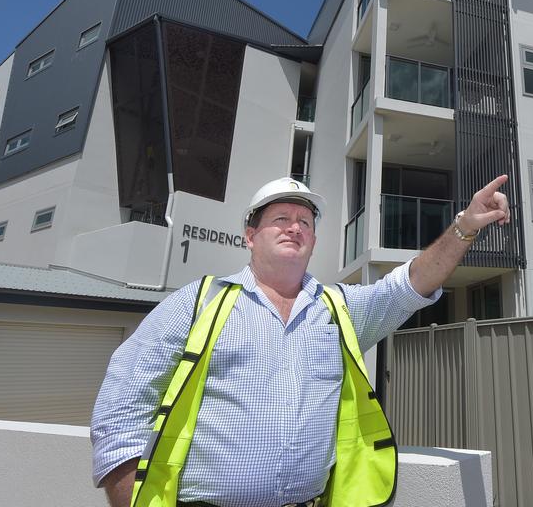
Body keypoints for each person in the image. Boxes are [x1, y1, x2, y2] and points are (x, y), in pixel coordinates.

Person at [91, 174, 511, 507]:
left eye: (305, 222)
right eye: (280, 218)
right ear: (250, 235)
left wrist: (463, 228)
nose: (295, 227)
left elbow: (409, 285)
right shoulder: (198, 302)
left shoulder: (339, 309)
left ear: (313, 240)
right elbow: (121, 407)